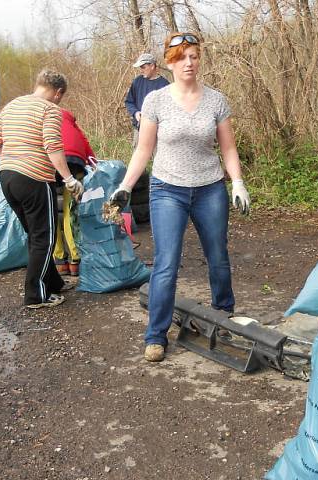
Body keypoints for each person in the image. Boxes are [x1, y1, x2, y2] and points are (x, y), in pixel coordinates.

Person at [109, 32, 251, 363]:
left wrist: (239, 182)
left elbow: (228, 148)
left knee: (218, 256)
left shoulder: (216, 100)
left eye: (194, 56)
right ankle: (156, 335)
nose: (189, 63)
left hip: (210, 188)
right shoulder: (155, 101)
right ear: (170, 62)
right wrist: (126, 186)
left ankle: (223, 318)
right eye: (182, 57)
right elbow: (144, 150)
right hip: (167, 189)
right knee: (166, 262)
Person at [0, 68, 84, 309]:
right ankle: (36, 295)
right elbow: (52, 145)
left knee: (36, 234)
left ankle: (53, 282)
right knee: (45, 237)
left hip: (7, 177)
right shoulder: (50, 109)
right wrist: (69, 179)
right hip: (34, 179)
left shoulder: (13, 105)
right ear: (58, 92)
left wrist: (12, 160)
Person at [54, 108, 96, 277]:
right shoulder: (68, 117)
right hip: (75, 161)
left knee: (48, 210)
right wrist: (94, 163)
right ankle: (75, 260)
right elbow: (83, 141)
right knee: (69, 210)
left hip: (49, 159)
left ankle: (59, 261)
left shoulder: (37, 113)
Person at [124, 52, 169, 145]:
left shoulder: (165, 85)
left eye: (143, 67)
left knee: (158, 159)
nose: (141, 70)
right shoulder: (137, 82)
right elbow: (129, 102)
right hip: (139, 129)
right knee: (138, 157)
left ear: (152, 66)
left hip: (159, 132)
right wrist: (135, 113)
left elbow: (169, 110)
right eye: (140, 68)